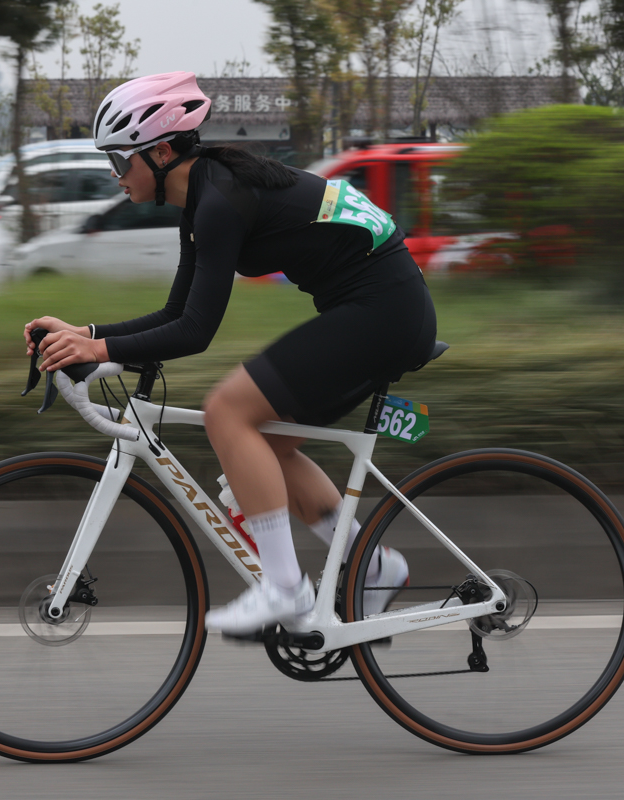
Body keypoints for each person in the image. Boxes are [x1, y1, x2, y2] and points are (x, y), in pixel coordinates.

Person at [24, 72, 436, 635]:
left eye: (120, 162)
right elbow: (176, 313)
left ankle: (285, 589)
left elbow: (195, 332)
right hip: (380, 310)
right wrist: (89, 335)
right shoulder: (201, 200)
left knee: (228, 411)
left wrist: (98, 346)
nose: (114, 176)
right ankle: (377, 567)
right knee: (264, 441)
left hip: (382, 313)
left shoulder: (218, 199)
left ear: (161, 151)